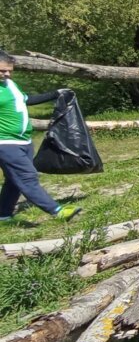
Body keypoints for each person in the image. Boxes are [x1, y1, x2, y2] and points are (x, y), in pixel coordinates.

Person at [0, 50, 80, 223]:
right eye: (2, 71)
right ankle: (57, 211)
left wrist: (55, 93)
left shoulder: (9, 84)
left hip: (24, 141)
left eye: (9, 70)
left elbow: (25, 100)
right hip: (5, 143)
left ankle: (3, 215)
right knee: (27, 177)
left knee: (14, 181)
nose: (7, 74)